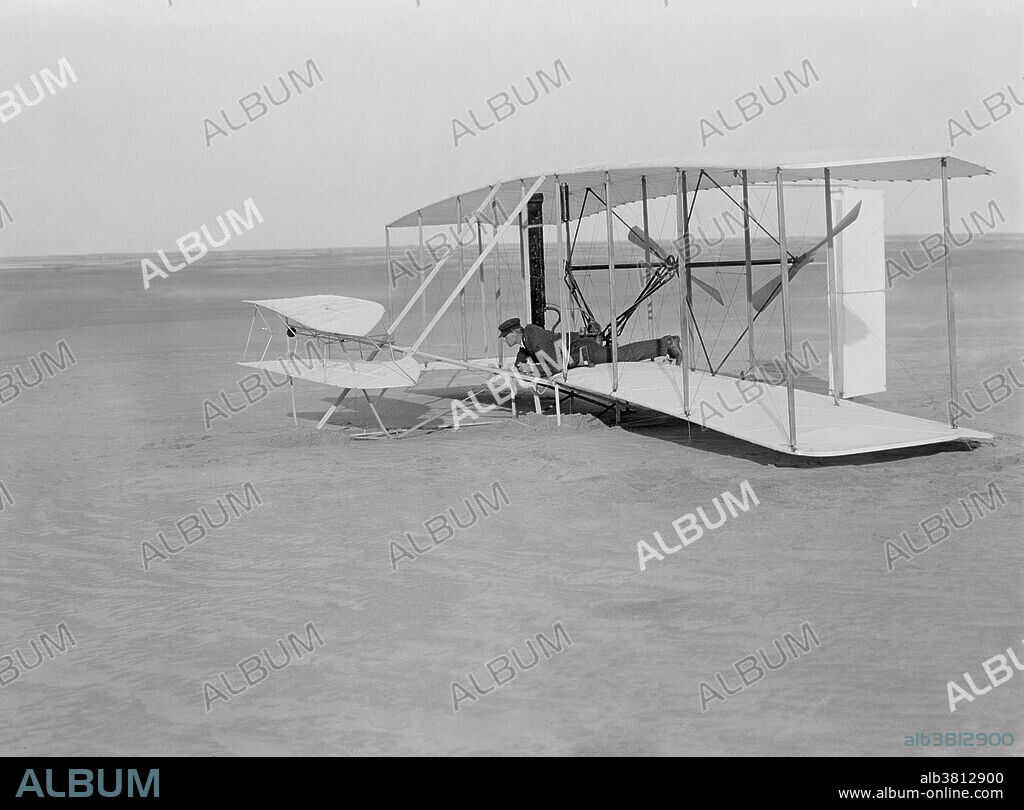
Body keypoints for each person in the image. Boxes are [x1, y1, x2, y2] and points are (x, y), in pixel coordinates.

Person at [497, 317, 682, 378]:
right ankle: (665, 344)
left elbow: (555, 366)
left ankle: (666, 343)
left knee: (624, 355)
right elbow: (523, 352)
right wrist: (520, 365)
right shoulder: (527, 337)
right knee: (624, 354)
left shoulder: (535, 339)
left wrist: (533, 370)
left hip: (584, 350)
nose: (505, 341)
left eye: (505, 337)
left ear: (514, 332)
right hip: (577, 349)